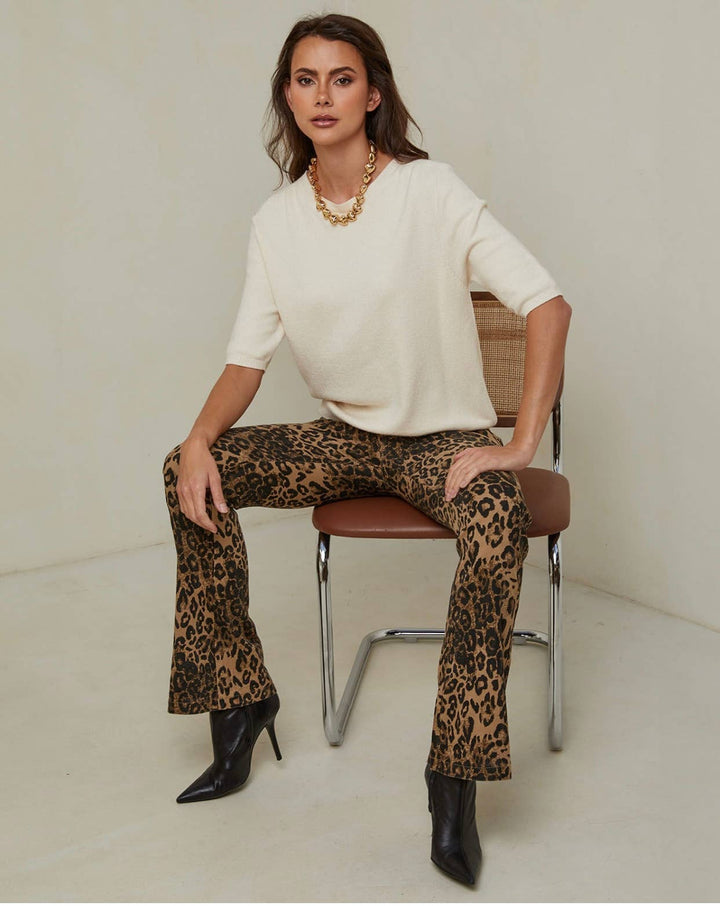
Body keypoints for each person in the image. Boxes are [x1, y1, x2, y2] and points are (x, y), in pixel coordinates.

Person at [162, 12, 571, 887]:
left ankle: (452, 780)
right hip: (344, 440)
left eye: (340, 78)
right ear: (286, 95)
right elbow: (246, 360)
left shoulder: (428, 191)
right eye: (304, 79)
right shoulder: (277, 222)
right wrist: (200, 437)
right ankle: (238, 705)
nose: (322, 95)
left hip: (441, 445)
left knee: (498, 513)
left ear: (372, 92)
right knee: (188, 468)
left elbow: (547, 305)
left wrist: (521, 442)